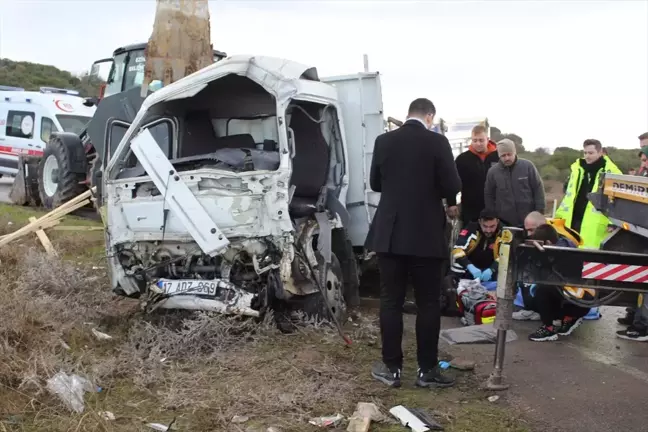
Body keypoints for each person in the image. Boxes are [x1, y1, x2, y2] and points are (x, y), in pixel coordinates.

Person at [365, 98, 461, 388]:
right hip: (426, 234)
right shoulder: (438, 143)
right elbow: (452, 186)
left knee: (390, 301)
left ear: (409, 114)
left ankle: (391, 369)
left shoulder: (384, 141)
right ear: (430, 116)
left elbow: (375, 184)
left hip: (390, 233)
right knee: (428, 303)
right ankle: (427, 371)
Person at [513, 211, 585, 321]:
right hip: (541, 290)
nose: (528, 234)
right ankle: (535, 309)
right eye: (527, 230)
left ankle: (560, 318)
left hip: (565, 293)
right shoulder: (528, 240)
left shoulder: (562, 243)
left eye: (532, 230)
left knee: (546, 286)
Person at [527, 224, 593, 342]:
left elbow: (554, 280)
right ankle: (568, 318)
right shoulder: (566, 244)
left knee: (542, 291)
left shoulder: (562, 254)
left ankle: (548, 328)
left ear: (548, 242)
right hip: (582, 301)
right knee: (545, 290)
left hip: (580, 301)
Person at [555, 139, 622, 249]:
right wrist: (559, 217)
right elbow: (569, 196)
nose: (587, 156)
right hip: (573, 220)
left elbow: (617, 201)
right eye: (585, 153)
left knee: (591, 257)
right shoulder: (577, 169)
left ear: (600, 152)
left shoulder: (612, 172)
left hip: (595, 222)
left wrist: (613, 223)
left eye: (591, 153)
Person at [484, 138, 545, 227]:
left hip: (529, 220)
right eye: (503, 155)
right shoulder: (493, 172)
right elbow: (489, 194)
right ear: (499, 156)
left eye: (509, 154)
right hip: (504, 222)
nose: (507, 158)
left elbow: (538, 188)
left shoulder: (528, 166)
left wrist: (539, 211)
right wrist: (492, 215)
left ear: (515, 152)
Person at [446, 125, 499, 226]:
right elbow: (452, 181)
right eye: (475, 140)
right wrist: (451, 203)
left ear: (487, 139)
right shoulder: (462, 160)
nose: (478, 144)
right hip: (471, 209)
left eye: (481, 140)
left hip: (496, 209)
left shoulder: (498, 157)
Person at [450, 209, 500, 281]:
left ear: (497, 222)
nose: (488, 231)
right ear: (479, 222)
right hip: (469, 268)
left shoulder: (503, 232)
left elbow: (504, 256)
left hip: (490, 270)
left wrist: (492, 269)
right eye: (485, 226)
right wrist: (470, 266)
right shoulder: (471, 228)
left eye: (492, 226)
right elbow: (457, 250)